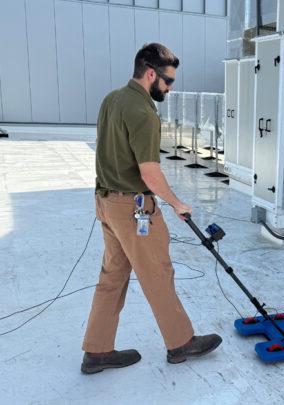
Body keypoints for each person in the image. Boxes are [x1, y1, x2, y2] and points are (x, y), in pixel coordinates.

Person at [81, 43, 221, 374]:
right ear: (150, 73)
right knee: (158, 273)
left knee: (112, 277)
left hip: (105, 202)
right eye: (168, 81)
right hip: (134, 208)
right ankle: (180, 343)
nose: (170, 89)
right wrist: (176, 203)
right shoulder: (144, 112)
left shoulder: (111, 100)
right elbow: (149, 172)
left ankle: (97, 352)